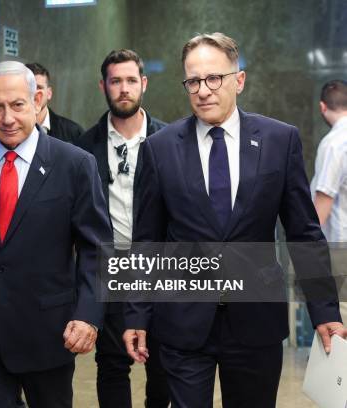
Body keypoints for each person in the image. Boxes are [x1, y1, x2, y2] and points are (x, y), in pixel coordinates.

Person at [123, 33, 345, 407]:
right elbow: (147, 240)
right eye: (193, 81)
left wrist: (324, 310)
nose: (203, 90)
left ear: (238, 80)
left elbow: (303, 232)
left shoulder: (279, 140)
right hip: (183, 321)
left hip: (256, 320)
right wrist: (136, 314)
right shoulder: (159, 149)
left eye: (214, 79)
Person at [0, 61, 111, 407]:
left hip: (48, 331)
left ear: (38, 101)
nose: (7, 118)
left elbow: (97, 249)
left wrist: (88, 314)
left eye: (17, 105)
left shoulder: (75, 164)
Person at [76, 49, 169, 408]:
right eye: (116, 81)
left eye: (131, 80)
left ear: (143, 84)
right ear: (103, 86)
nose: (124, 89)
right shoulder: (84, 148)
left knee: (163, 366)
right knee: (111, 365)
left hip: (160, 270)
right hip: (110, 268)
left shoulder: (171, 141)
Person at [311, 79, 347, 323]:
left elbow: (324, 200)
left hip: (340, 249)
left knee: (340, 322)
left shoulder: (334, 144)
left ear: (323, 107)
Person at [25, 62, 85, 144]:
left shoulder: (73, 133)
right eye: (29, 87)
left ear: (49, 93)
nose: (35, 93)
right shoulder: (9, 131)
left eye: (39, 88)